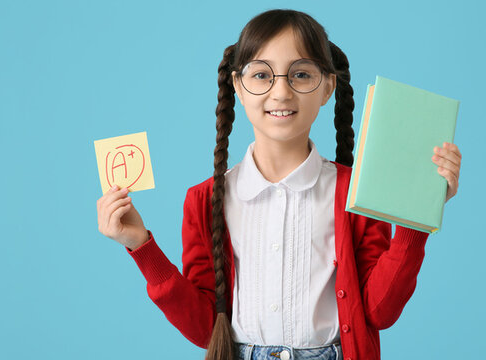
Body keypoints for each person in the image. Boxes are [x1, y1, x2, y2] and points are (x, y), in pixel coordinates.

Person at [96, 9, 462, 360]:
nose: (281, 92)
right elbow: (204, 328)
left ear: (327, 87)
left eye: (301, 74)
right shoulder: (204, 200)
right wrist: (140, 246)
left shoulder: (357, 192)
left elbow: (379, 311)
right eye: (261, 75)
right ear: (238, 86)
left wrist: (418, 213)